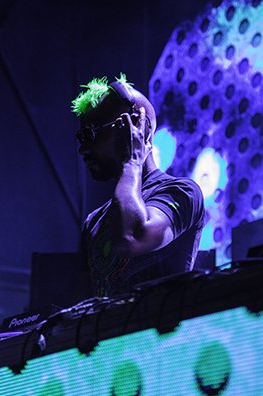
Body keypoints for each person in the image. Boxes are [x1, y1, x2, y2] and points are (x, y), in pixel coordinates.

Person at [72, 74, 205, 297]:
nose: (83, 149)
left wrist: (132, 162)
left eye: (92, 134)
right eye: (81, 138)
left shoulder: (182, 193)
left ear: (136, 126)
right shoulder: (93, 222)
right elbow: (81, 302)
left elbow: (131, 238)